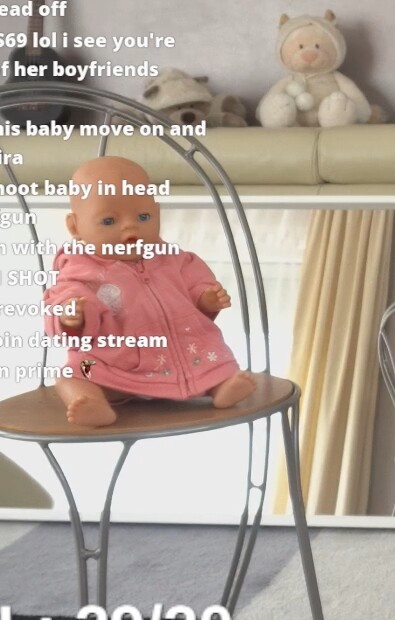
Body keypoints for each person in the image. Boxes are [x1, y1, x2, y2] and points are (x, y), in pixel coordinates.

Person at [43, 155, 257, 426]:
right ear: (75, 227)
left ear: (157, 213)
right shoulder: (78, 271)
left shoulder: (174, 260)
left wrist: (206, 298)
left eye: (143, 216)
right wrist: (70, 315)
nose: (130, 226)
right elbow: (62, 298)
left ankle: (222, 387)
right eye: (108, 221)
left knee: (216, 362)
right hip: (111, 366)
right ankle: (91, 402)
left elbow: (194, 284)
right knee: (74, 374)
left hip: (181, 359)